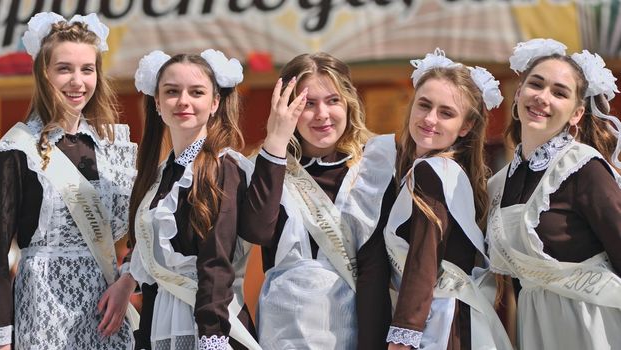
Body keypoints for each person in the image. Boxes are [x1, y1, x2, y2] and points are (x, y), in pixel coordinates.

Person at [0, 12, 138, 350]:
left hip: (107, 309)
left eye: (86, 69)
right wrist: (3, 337)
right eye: (64, 69)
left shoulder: (113, 147)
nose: (77, 81)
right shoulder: (18, 148)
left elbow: (142, 234)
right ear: (43, 73)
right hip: (42, 308)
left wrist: (126, 284)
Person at [240, 52, 396, 350]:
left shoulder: (374, 165)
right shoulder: (264, 168)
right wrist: (275, 142)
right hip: (283, 331)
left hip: (351, 329)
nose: (322, 114)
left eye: (333, 100)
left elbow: (374, 270)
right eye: (308, 104)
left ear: (349, 103)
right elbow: (257, 231)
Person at [487, 38, 621, 349]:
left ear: (576, 114)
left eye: (559, 92)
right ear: (518, 94)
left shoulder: (583, 168)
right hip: (536, 327)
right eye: (536, 85)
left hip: (594, 327)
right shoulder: (498, 185)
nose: (543, 98)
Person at [128, 49, 260, 350]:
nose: (183, 101)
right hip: (160, 322)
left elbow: (217, 259)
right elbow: (151, 268)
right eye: (172, 92)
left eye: (196, 92)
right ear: (157, 103)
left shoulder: (225, 167)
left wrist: (211, 337)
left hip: (212, 326)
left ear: (215, 103)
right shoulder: (158, 175)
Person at [383, 49, 512, 350]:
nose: (430, 119)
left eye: (446, 113)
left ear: (465, 127)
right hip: (458, 318)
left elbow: (422, 260)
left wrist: (403, 336)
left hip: (438, 324)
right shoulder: (448, 171)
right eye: (423, 105)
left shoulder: (432, 172)